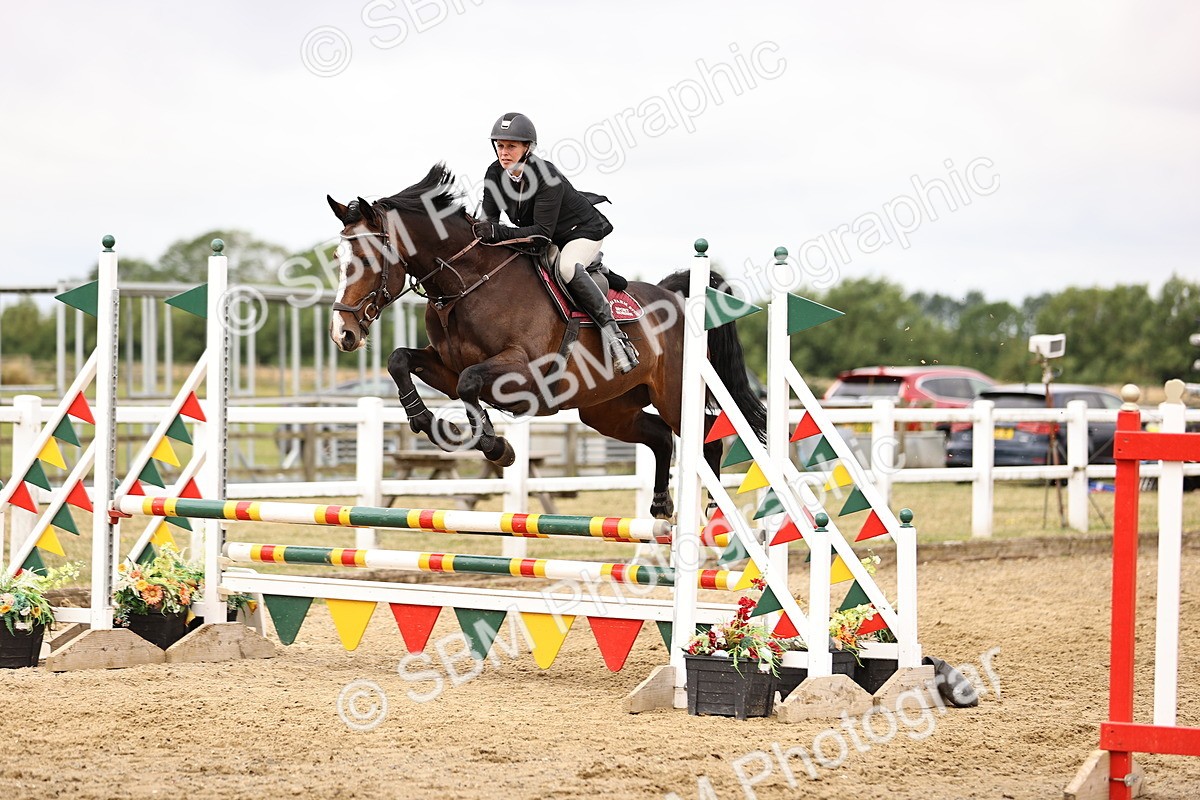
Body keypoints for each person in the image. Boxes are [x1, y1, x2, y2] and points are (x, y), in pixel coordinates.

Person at [472, 112, 639, 374]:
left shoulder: (545, 175)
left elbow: (540, 235)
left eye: (511, 146)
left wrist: (497, 232)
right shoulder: (494, 173)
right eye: (500, 146)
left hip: (581, 231)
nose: (504, 152)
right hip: (548, 235)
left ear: (528, 148)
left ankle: (616, 338)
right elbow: (489, 223)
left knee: (567, 269)